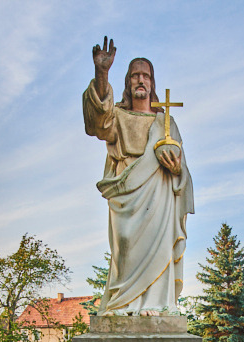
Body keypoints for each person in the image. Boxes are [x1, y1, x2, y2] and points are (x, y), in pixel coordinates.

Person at [83, 37, 194, 315]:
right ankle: (122, 304)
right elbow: (97, 124)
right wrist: (101, 73)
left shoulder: (165, 122)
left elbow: (182, 168)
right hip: (125, 190)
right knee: (124, 245)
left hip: (158, 191)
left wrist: (176, 168)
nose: (140, 80)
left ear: (152, 83)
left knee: (158, 248)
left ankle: (155, 304)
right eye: (135, 75)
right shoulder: (118, 116)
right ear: (128, 82)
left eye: (145, 75)